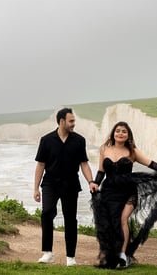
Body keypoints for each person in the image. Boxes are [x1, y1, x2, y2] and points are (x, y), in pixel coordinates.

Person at [91, 121, 157, 269]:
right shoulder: (104, 149)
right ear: (113, 133)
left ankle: (123, 255)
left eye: (124, 131)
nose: (120, 133)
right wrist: (95, 183)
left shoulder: (132, 151)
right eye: (118, 131)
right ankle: (112, 254)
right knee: (110, 224)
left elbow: (150, 163)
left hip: (128, 191)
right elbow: (101, 171)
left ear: (128, 135)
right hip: (109, 191)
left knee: (123, 219)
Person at [33, 108, 94, 266]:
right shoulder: (46, 140)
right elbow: (40, 165)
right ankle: (47, 253)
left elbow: (84, 164)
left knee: (70, 219)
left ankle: (70, 258)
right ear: (61, 121)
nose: (74, 124)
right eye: (71, 121)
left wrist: (91, 181)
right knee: (47, 213)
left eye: (74, 120)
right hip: (50, 183)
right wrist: (36, 188)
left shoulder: (79, 140)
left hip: (71, 184)